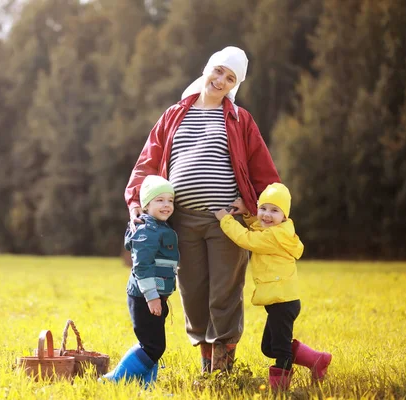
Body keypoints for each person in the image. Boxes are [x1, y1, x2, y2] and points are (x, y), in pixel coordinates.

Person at [125, 46, 280, 374]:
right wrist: (137, 202)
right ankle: (206, 367)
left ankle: (223, 370)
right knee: (192, 292)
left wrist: (254, 205)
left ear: (235, 85)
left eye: (231, 78)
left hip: (227, 221)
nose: (221, 80)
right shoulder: (174, 114)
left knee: (224, 292)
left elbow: (263, 170)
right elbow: (148, 162)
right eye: (219, 71)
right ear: (207, 69)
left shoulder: (240, 119)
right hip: (180, 220)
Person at [214, 183, 332, 391]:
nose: (267, 215)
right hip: (281, 301)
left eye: (274, 211)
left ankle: (280, 390)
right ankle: (317, 359)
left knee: (280, 350)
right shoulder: (277, 230)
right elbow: (260, 227)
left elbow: (247, 238)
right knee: (269, 346)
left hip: (283, 302)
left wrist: (226, 219)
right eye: (263, 209)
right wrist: (250, 214)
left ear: (284, 216)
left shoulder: (275, 236)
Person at [102, 175, 179, 387]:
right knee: (152, 346)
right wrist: (152, 297)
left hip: (155, 295)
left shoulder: (161, 227)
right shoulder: (147, 230)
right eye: (159, 200)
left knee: (151, 344)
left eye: (170, 200)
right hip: (144, 295)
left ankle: (147, 387)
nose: (166, 205)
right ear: (146, 205)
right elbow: (142, 267)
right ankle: (115, 379)